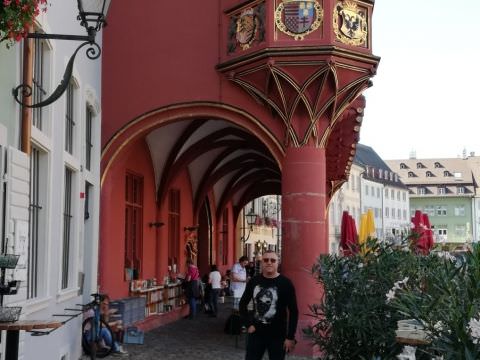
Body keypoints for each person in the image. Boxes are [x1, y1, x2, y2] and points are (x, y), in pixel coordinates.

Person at [239, 250, 298, 360]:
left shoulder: (286, 283)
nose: (269, 262)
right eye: (266, 260)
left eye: (273, 260)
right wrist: (248, 324)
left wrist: (290, 337)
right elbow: (242, 304)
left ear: (277, 263)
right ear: (262, 263)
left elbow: (294, 311)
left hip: (278, 335)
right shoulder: (254, 281)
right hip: (256, 333)